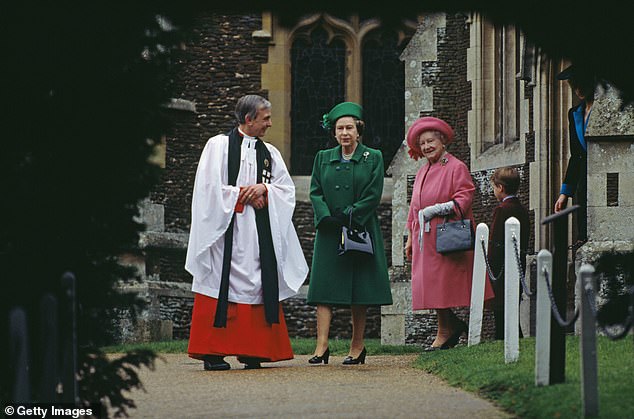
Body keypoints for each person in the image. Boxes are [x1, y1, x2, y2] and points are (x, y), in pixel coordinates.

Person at [185, 94, 308, 371]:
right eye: (265, 119)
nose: (270, 124)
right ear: (249, 119)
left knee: (257, 283)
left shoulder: (271, 153)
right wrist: (242, 194)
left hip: (257, 233)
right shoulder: (217, 146)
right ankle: (213, 353)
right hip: (225, 230)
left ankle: (253, 351)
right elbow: (207, 189)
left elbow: (286, 189)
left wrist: (265, 189)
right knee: (220, 282)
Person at [307, 102, 392, 365]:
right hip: (330, 231)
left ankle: (357, 346)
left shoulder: (373, 157)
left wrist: (351, 214)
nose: (345, 133)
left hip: (359, 228)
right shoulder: (322, 157)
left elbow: (373, 193)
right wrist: (326, 217)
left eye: (349, 128)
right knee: (323, 289)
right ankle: (321, 347)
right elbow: (315, 191)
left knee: (359, 290)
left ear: (359, 130)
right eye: (340, 128)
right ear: (334, 132)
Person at [405, 116, 494, 351]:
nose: (426, 147)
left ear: (442, 141)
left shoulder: (455, 167)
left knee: (443, 286)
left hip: (446, 235)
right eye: (422, 143)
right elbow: (414, 207)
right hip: (424, 238)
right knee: (432, 287)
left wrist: (436, 209)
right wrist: (409, 237)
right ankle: (448, 326)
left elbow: (464, 197)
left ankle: (448, 329)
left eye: (430, 141)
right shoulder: (424, 171)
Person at [554, 64, 598, 243]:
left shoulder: (603, 110)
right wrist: (565, 192)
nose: (578, 90)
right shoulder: (574, 113)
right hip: (583, 182)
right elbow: (576, 155)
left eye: (581, 84)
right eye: (574, 86)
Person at [487, 167, 530, 340]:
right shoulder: (522, 209)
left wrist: (490, 266)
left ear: (500, 187)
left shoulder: (502, 210)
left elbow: (495, 242)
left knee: (501, 311)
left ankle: (502, 340)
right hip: (518, 264)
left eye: (494, 187)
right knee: (512, 309)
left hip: (501, 269)